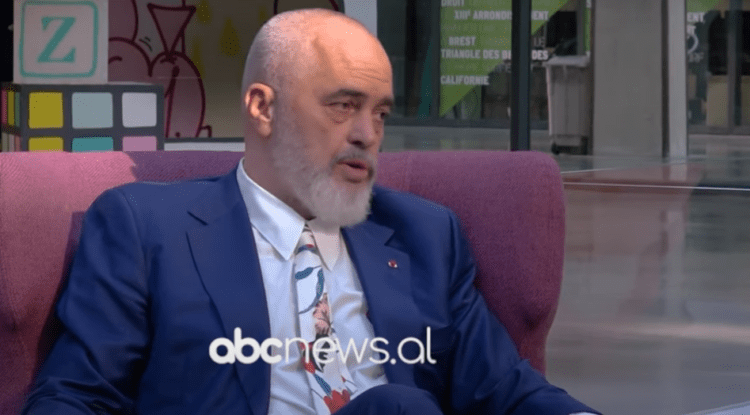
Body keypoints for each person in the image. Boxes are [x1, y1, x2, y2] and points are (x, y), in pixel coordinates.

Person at [22, 8, 599, 415]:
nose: (367, 133)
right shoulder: (148, 228)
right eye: (343, 105)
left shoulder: (425, 236)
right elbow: (75, 395)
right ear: (262, 108)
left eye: (380, 114)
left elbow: (506, 390)